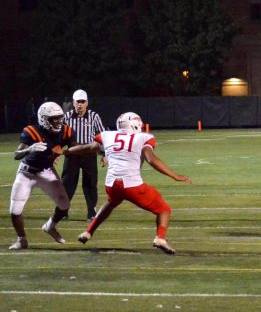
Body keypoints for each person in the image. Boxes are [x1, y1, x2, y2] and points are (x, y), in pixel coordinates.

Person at [54, 112, 192, 254]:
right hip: (132, 186)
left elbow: (87, 148)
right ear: (134, 124)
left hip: (112, 185)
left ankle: (88, 232)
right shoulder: (144, 138)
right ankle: (160, 239)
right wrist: (174, 176)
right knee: (164, 210)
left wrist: (65, 152)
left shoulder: (108, 135)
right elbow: (151, 159)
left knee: (110, 204)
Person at [8, 102, 73, 250]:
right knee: (15, 210)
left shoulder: (66, 131)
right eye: (53, 118)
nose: (58, 121)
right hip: (27, 172)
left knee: (64, 205)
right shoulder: (31, 131)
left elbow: (74, 147)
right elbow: (16, 155)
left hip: (46, 170)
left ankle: (50, 226)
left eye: (59, 117)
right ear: (43, 119)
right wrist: (29, 149)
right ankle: (22, 240)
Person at [61, 89, 105, 220]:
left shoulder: (94, 116)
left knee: (90, 183)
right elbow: (59, 136)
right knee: (67, 183)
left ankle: (91, 212)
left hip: (89, 153)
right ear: (73, 103)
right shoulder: (66, 117)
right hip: (72, 153)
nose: (80, 104)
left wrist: (105, 154)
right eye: (77, 102)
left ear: (87, 103)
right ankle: (63, 211)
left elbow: (103, 135)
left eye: (82, 102)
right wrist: (55, 153)